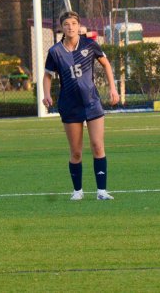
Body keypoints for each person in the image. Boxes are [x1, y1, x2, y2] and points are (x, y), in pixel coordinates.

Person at [42, 11, 120, 201]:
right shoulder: (55, 52)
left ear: (78, 26)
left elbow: (106, 64)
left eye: (74, 23)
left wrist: (113, 89)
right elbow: (47, 76)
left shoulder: (89, 44)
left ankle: (101, 191)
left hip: (92, 102)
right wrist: (46, 95)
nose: (70, 27)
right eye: (67, 24)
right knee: (76, 151)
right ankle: (78, 191)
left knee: (97, 146)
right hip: (70, 105)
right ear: (62, 27)